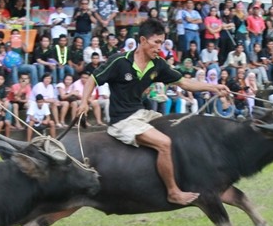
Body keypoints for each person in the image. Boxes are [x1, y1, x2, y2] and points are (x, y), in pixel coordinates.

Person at [78, 18, 230, 205]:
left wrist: (213, 87)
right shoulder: (119, 61)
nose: (160, 47)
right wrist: (84, 101)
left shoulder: (158, 64)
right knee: (165, 143)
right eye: (156, 42)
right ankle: (173, 192)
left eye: (162, 43)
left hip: (142, 114)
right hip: (122, 120)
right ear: (142, 41)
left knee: (180, 129)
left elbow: (184, 82)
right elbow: (92, 79)